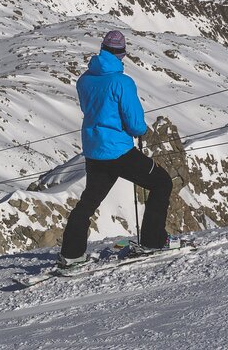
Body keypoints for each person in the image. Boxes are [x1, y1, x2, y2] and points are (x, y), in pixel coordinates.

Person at [59, 30, 174, 267]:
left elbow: (90, 109)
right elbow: (134, 123)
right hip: (119, 151)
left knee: (88, 203)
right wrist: (140, 130)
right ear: (121, 53)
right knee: (162, 183)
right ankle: (153, 241)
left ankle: (71, 255)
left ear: (102, 49)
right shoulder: (122, 82)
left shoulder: (84, 80)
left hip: (93, 150)